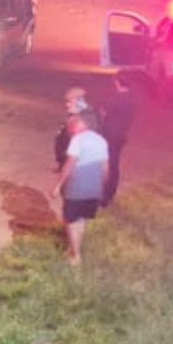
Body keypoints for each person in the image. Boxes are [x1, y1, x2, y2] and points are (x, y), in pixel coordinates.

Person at [53, 110, 110, 266]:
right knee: (81, 219)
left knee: (70, 220)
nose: (74, 124)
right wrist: (102, 187)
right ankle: (74, 248)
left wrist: (59, 185)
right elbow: (105, 168)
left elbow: (70, 164)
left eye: (77, 122)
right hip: (94, 189)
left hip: (76, 188)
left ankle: (76, 255)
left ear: (84, 123)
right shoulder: (102, 141)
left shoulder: (77, 140)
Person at [100, 70, 138, 206]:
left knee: (106, 166)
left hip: (110, 135)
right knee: (114, 166)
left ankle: (103, 197)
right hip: (121, 135)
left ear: (118, 82)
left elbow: (103, 113)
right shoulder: (132, 99)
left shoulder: (116, 99)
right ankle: (110, 195)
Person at [52, 86, 90, 171]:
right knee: (61, 145)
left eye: (69, 99)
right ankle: (63, 164)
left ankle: (66, 167)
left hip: (73, 128)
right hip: (70, 127)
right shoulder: (78, 105)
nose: (67, 103)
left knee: (64, 147)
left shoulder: (81, 106)